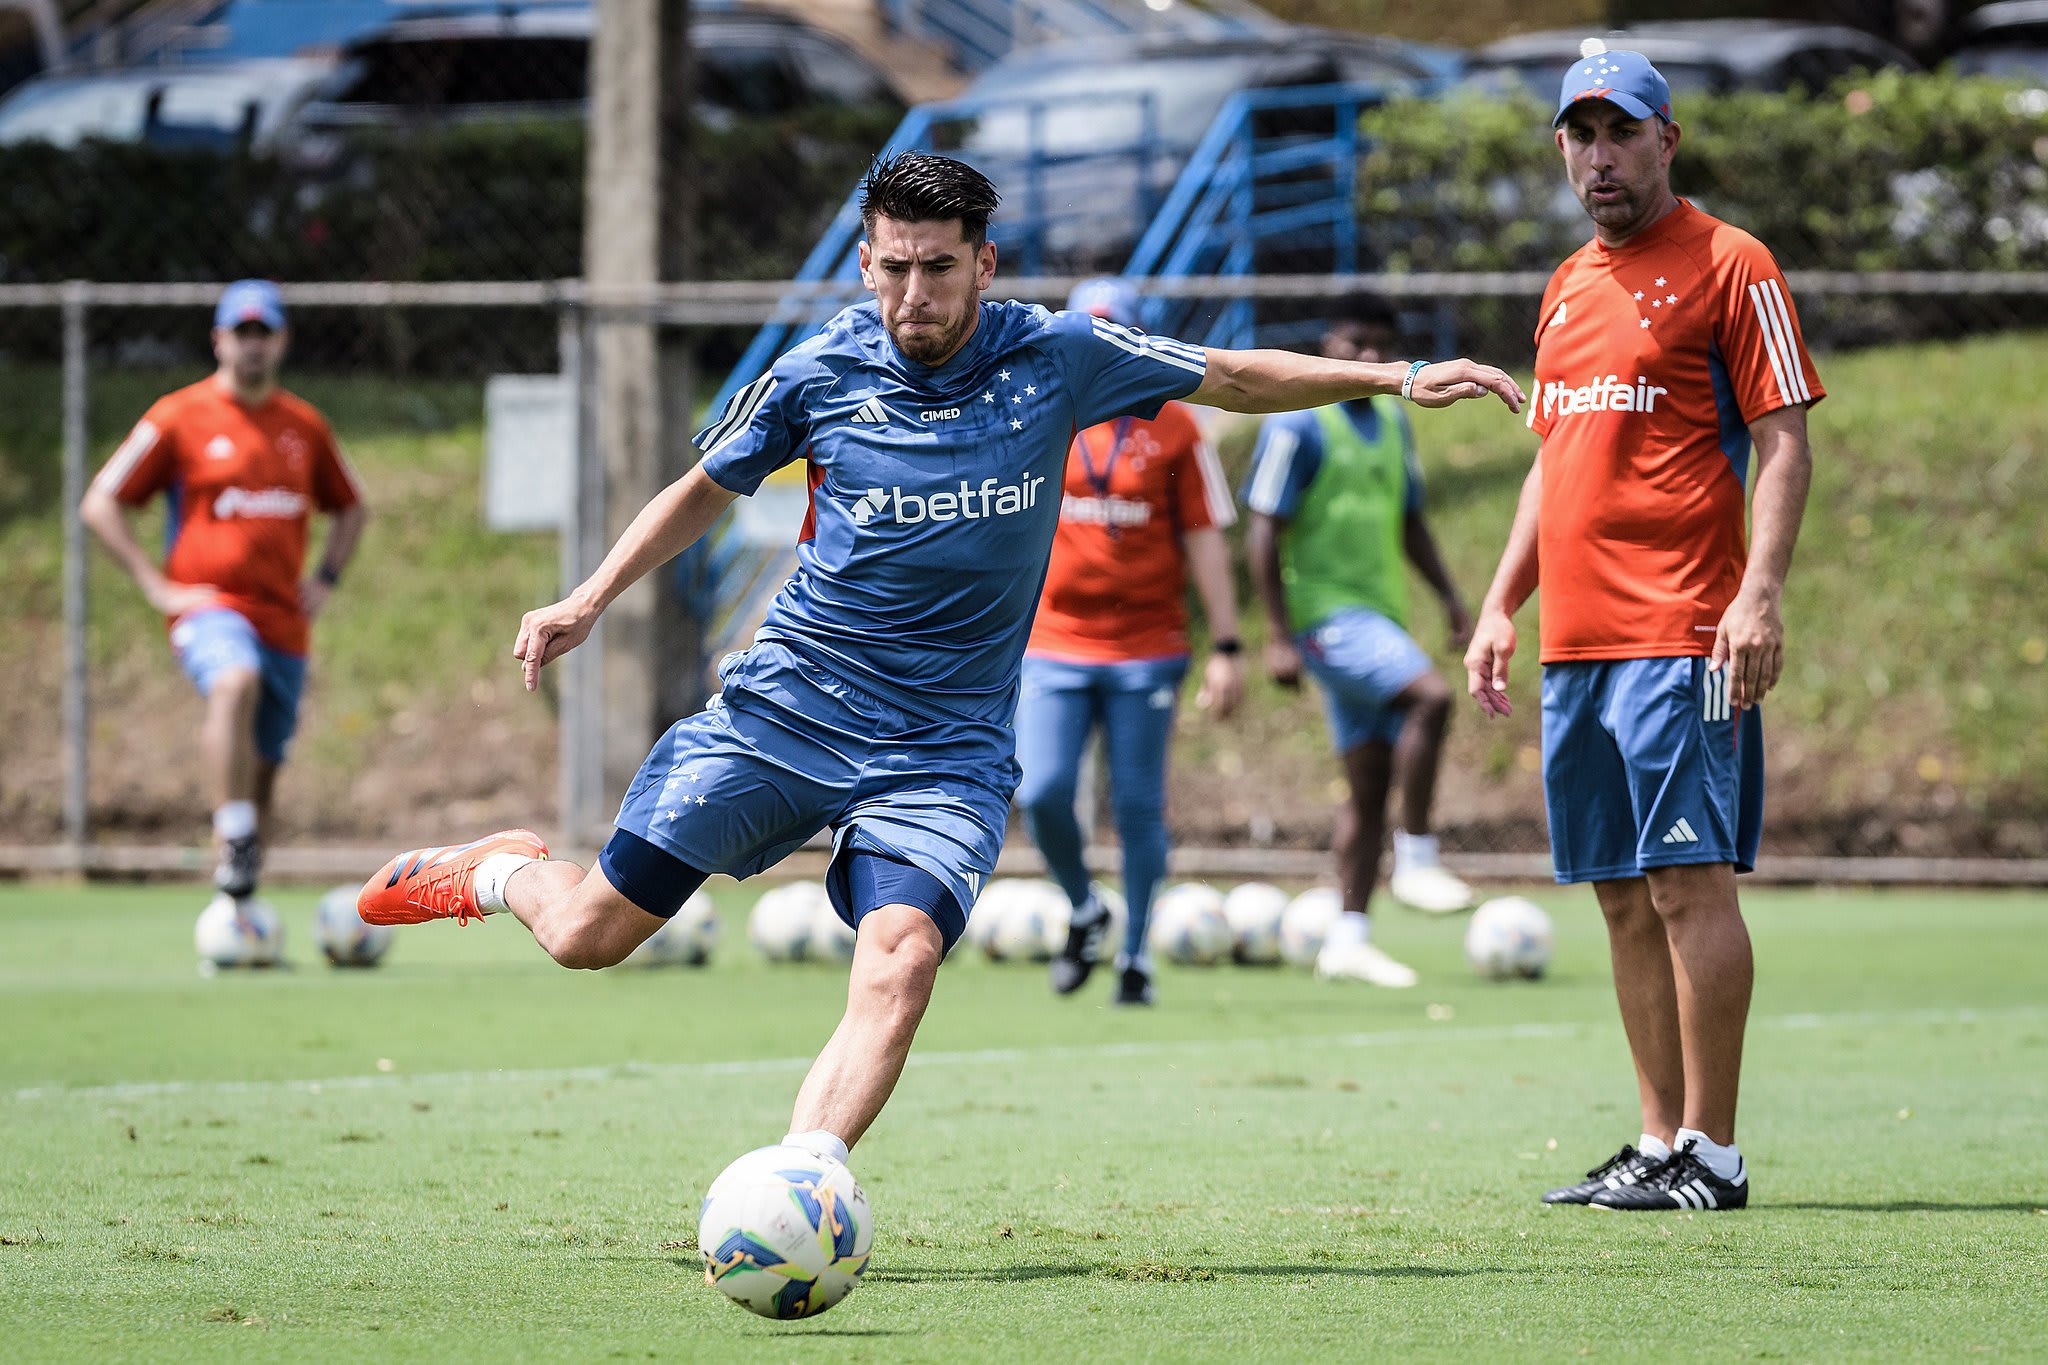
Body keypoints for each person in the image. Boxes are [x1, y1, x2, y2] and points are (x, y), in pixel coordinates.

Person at [358, 152, 1523, 1167]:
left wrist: (1392, 378)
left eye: (936, 268)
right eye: (890, 267)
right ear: (864, 264)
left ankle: (801, 1176)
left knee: (902, 953)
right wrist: (588, 596)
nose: (911, 294)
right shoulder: (818, 374)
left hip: (945, 750)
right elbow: (702, 493)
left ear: (985, 263)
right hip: (787, 713)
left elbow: (1226, 376)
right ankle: (506, 867)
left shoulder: (1060, 356)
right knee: (586, 939)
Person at [1463, 45, 1820, 1211]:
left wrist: (1756, 592)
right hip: (1573, 640)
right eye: (1579, 134)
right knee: (1620, 892)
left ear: (1666, 141)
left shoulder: (1732, 263)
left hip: (1679, 632)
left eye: (1621, 133)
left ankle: (1712, 1155)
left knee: (1684, 885)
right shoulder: (1565, 284)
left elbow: (1781, 438)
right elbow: (1549, 464)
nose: (1598, 155)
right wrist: (1497, 604)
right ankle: (1657, 1138)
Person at [81, 280, 368, 900]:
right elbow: (101, 501)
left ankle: (239, 904)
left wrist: (325, 579)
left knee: (262, 773)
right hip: (209, 606)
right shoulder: (177, 416)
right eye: (241, 333)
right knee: (233, 680)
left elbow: (351, 506)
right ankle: (232, 834)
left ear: (282, 340)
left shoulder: (303, 425)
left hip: (284, 618)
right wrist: (155, 586)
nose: (253, 346)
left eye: (264, 333)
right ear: (219, 340)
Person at [1018, 277, 1244, 1008]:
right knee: (1043, 789)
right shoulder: (1040, 411)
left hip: (1147, 643)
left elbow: (1206, 539)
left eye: (1116, 332)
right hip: (1054, 638)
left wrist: (1230, 646)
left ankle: (1138, 952)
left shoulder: (1176, 424)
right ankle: (1086, 907)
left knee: (1138, 803)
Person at [1242, 295, 1479, 991]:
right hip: (1326, 620)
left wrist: (1451, 598)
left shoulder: (1393, 424)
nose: (1369, 359)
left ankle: (1348, 937)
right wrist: (1278, 635)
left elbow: (1411, 521)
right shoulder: (1300, 424)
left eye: (1382, 346)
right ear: (1328, 342)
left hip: (1380, 617)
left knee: (1369, 789)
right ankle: (1418, 856)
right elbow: (1261, 530)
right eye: (1356, 343)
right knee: (1430, 699)